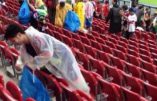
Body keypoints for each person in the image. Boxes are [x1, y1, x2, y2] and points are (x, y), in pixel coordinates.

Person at [4, 24, 90, 94]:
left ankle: (83, 94)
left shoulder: (36, 37)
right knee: (64, 77)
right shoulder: (25, 42)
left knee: (72, 76)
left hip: (62, 55)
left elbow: (47, 54)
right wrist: (19, 63)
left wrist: (31, 64)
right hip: (54, 60)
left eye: (14, 40)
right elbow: (22, 55)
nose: (14, 43)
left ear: (19, 35)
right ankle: (73, 93)